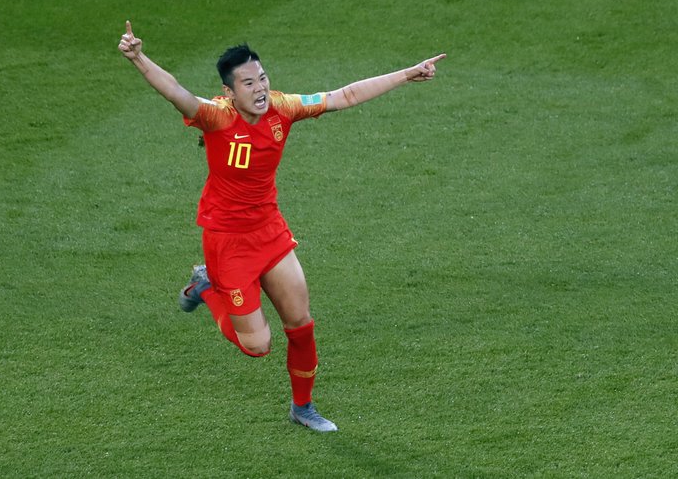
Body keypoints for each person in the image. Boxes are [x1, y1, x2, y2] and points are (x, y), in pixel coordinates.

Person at [118, 21, 445, 432]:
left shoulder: (283, 108)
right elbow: (175, 92)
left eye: (262, 78)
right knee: (258, 346)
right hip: (227, 243)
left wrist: (407, 73)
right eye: (248, 83)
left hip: (269, 231)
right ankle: (206, 287)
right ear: (229, 92)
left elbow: (344, 95)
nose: (259, 89)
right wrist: (138, 58)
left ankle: (302, 407)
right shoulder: (216, 118)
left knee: (301, 322)